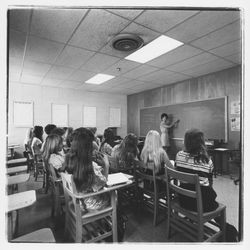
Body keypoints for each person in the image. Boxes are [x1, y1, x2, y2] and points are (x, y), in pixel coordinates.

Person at [65, 128, 110, 211]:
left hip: (77, 200)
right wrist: (106, 166)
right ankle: (112, 221)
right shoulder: (90, 166)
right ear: (87, 146)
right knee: (114, 195)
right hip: (88, 204)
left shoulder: (69, 159)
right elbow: (103, 184)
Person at [175, 128, 218, 212]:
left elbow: (177, 170)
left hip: (183, 200)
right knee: (211, 196)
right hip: (202, 205)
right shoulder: (207, 160)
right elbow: (210, 183)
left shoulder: (179, 155)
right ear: (201, 142)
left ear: (186, 141)